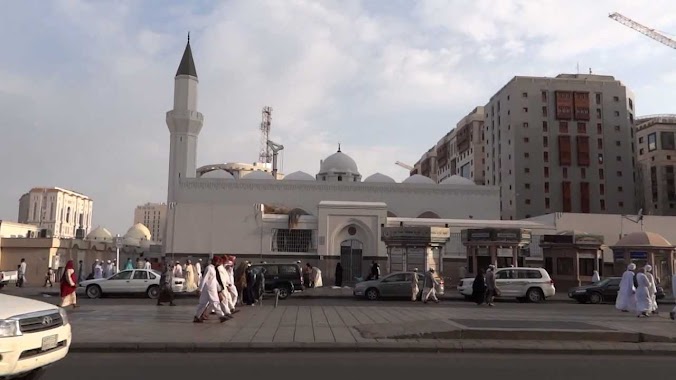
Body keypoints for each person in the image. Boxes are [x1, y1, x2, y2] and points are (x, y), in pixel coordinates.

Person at [194, 257, 228, 323]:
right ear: (214, 261)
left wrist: (219, 288)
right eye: (218, 262)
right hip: (210, 289)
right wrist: (199, 289)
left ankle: (197, 316)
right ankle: (221, 316)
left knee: (203, 303)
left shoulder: (213, 269)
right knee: (215, 302)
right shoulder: (209, 268)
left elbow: (214, 280)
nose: (218, 263)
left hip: (210, 288)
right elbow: (204, 279)